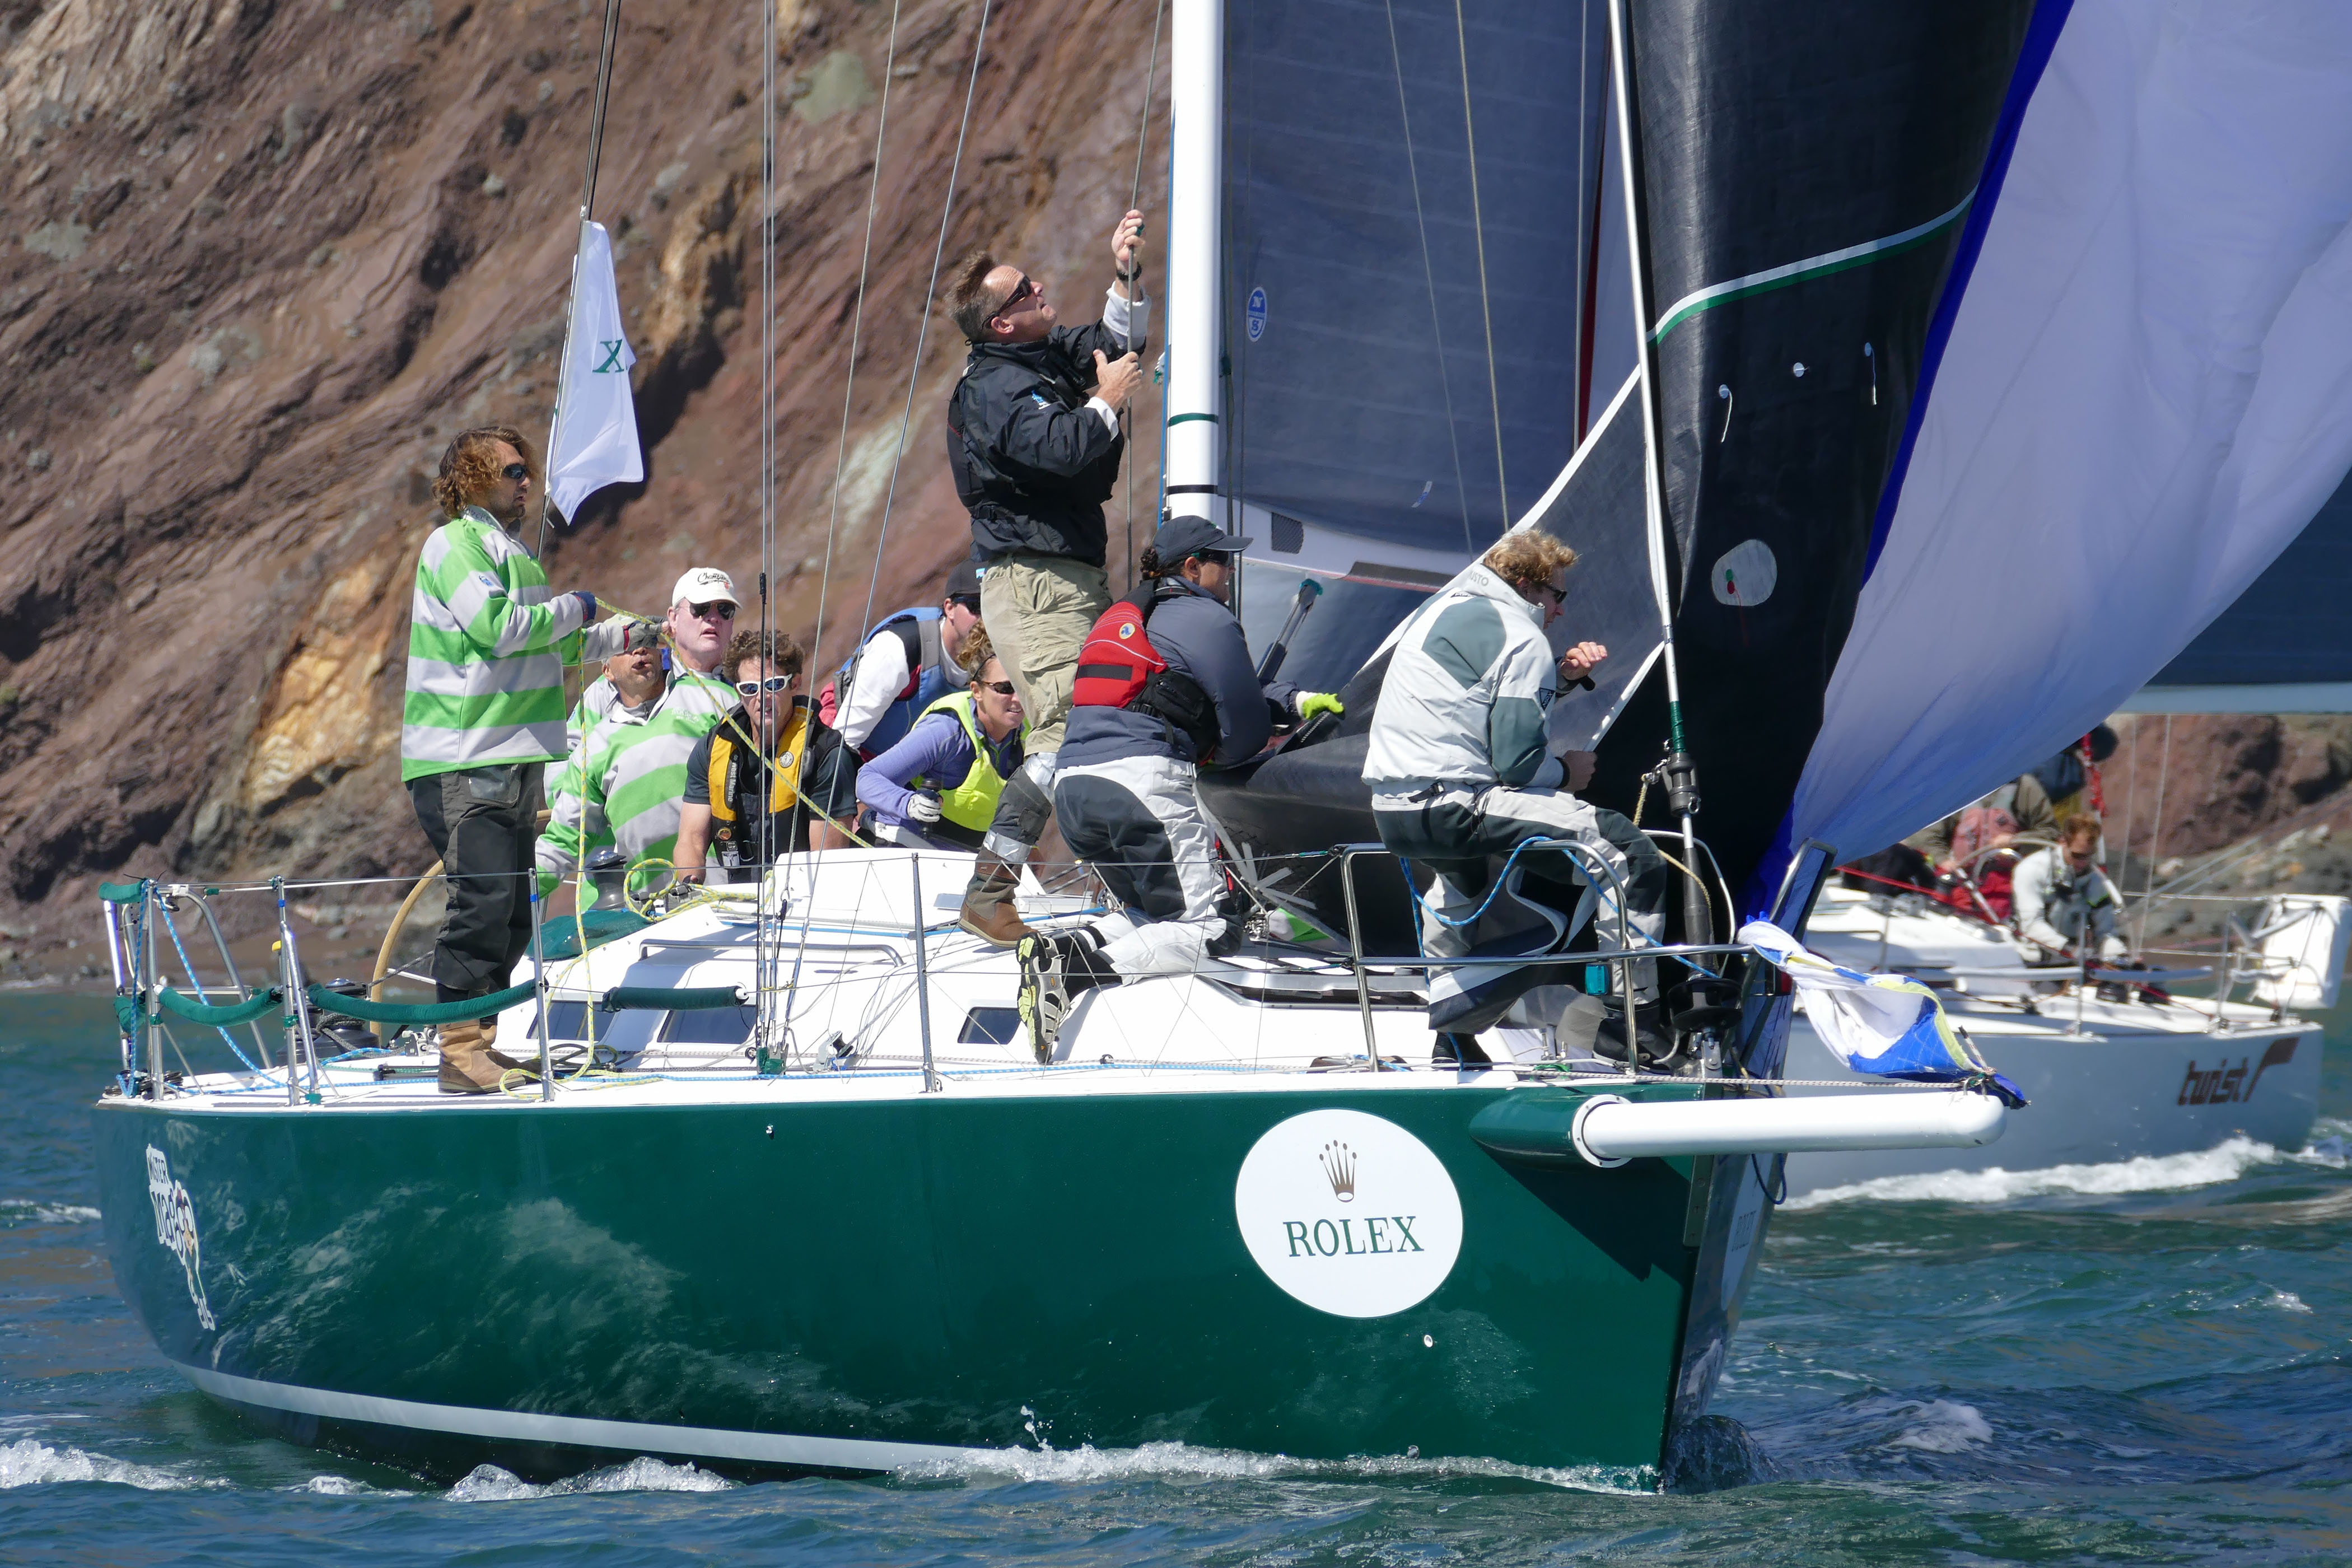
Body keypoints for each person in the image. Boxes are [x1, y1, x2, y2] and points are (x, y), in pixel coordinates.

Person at [1015, 517, 1343, 1061]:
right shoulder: (1206, 617)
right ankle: (1071, 974)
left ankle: (1059, 949)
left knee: (1153, 916)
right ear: (1192, 567)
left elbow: (1188, 688)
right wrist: (1231, 752)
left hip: (1075, 790)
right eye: (1223, 560)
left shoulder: (1128, 617)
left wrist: (1295, 700)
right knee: (1211, 928)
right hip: (1140, 785)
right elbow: (1244, 726)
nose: (1230, 572)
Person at [1361, 529, 1668, 1062]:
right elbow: (1518, 765)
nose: (1560, 610)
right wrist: (1567, 772)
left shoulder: (1439, 611)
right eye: (1557, 595)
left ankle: (1453, 1040)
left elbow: (1473, 702)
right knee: (1626, 853)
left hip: (1395, 813)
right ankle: (1632, 1021)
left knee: (1459, 888)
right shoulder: (1521, 637)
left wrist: (1562, 678)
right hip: (1457, 805)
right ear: (1526, 586)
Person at [400, 424, 642, 1093]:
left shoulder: (514, 558)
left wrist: (623, 635)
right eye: (512, 471)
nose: (526, 481)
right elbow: (499, 629)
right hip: (462, 757)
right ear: (473, 477)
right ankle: (458, 1051)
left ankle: (479, 1043)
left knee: (510, 911)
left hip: (512, 759)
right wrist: (578, 605)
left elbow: (545, 645)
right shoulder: (454, 545)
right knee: (480, 902)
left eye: (524, 470)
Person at [942, 209, 1150, 944]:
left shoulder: (1039, 357)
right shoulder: (993, 387)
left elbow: (1115, 349)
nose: (1039, 288)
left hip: (1067, 578)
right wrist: (1107, 401)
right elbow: (1060, 447)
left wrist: (1124, 276)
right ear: (1001, 323)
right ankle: (989, 891)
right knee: (1063, 734)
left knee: (1115, 721)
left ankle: (1134, 884)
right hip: (1035, 584)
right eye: (1023, 289)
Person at [535, 632, 730, 908]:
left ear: (660, 654)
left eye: (647, 643)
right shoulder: (593, 748)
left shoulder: (712, 697)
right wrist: (507, 892)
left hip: (729, 894)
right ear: (607, 672)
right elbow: (563, 840)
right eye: (625, 646)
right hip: (647, 909)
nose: (639, 651)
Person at [671, 630, 860, 882]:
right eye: (750, 688)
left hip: (803, 896)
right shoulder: (712, 748)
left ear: (795, 684)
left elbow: (827, 865)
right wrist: (689, 885)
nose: (762, 698)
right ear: (739, 692)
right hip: (740, 896)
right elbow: (691, 839)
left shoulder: (827, 755)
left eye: (773, 685)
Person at [856, 626, 1026, 851]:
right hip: (902, 848)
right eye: (1005, 688)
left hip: (963, 858)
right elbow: (868, 778)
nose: (1018, 699)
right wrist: (908, 804)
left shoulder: (1029, 736)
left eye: (1024, 686)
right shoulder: (945, 731)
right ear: (977, 691)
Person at [823, 563, 984, 760]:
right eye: (976, 607)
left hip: (908, 765)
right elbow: (842, 741)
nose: (985, 618)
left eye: (993, 607)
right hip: (849, 749)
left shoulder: (998, 657)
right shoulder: (899, 649)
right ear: (950, 608)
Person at [2012, 816, 2128, 963]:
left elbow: (2106, 932)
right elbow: (2031, 926)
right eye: (2077, 855)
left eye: (2088, 856)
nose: (2083, 863)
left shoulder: (2095, 880)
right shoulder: (2032, 869)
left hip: (2074, 961)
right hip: (2030, 960)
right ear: (2063, 842)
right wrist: (2069, 950)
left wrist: (2121, 955)